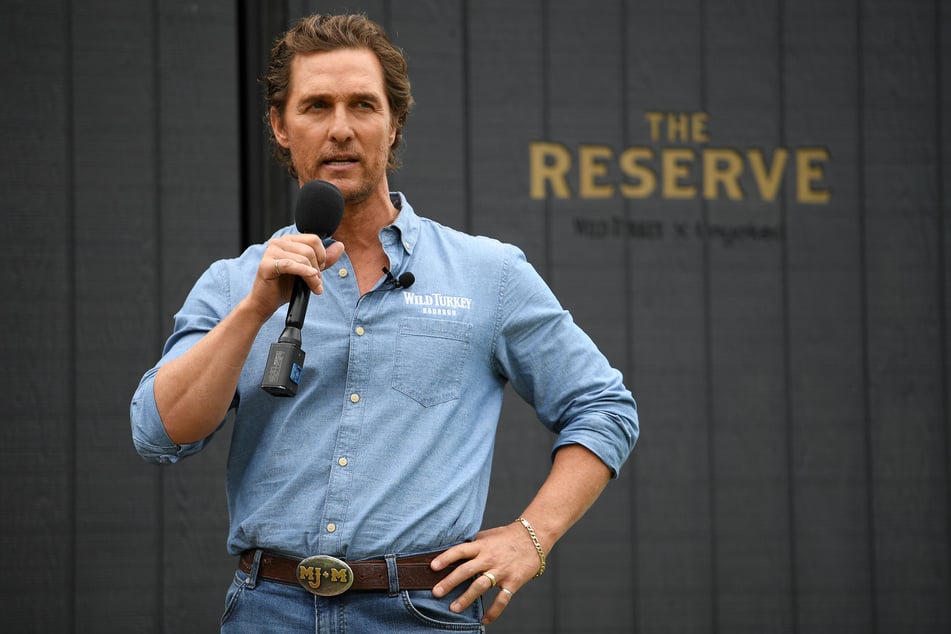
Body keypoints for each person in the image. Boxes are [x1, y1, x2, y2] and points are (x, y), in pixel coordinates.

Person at [131, 12, 638, 632]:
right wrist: (254, 310)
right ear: (280, 126)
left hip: (422, 612)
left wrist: (531, 537)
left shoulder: (489, 273)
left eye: (362, 106)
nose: (340, 129)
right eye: (316, 105)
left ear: (393, 124)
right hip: (269, 610)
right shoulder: (236, 283)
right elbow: (159, 434)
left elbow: (604, 407)